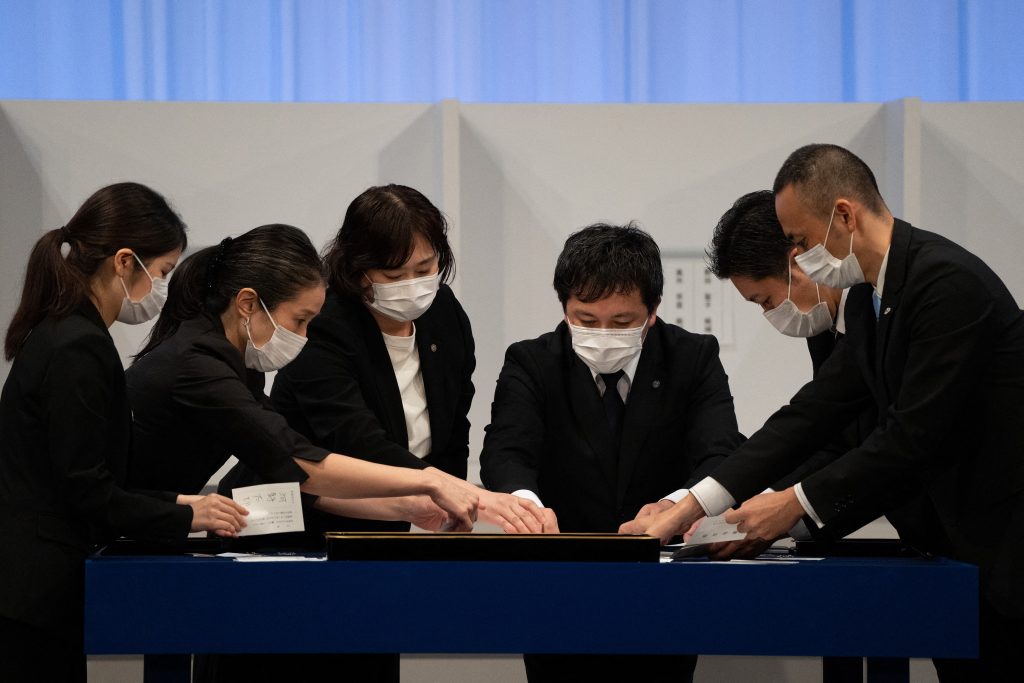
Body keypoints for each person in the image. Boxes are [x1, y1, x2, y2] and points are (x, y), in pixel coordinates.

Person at [623, 144, 1024, 680]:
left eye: (798, 241)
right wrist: (693, 504)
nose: (798, 255)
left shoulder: (948, 283)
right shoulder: (865, 301)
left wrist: (792, 504)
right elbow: (814, 416)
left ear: (843, 215)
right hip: (959, 563)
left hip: (1006, 549)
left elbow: (910, 439)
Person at [0, 183, 247, 682]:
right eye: (162, 273)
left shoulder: (69, 332)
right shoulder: (77, 345)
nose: (163, 288)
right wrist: (183, 512)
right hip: (34, 593)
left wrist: (178, 501)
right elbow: (86, 488)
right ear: (124, 262)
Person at [480, 222, 744, 683]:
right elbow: (505, 451)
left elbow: (721, 453)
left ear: (653, 311)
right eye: (585, 320)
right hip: (560, 581)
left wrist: (674, 507)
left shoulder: (693, 357)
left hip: (664, 581)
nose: (603, 334)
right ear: (564, 307)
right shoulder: (532, 361)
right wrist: (527, 507)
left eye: (622, 323)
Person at [225, 184, 545, 543]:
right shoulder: (324, 326)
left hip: (391, 522)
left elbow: (453, 429)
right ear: (358, 271)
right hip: (294, 523)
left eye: (425, 268)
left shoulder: (443, 312)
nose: (413, 285)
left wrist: (456, 514)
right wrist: (465, 494)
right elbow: (360, 443)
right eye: (394, 276)